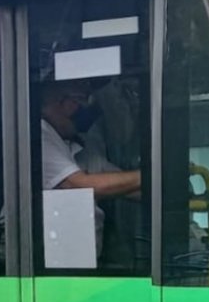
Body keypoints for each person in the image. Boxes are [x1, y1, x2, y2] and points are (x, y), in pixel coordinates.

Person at [39, 79, 141, 258]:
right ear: (59, 102)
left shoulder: (76, 146)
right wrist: (149, 176)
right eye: (79, 100)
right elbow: (78, 185)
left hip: (82, 259)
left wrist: (172, 187)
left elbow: (121, 183)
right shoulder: (40, 136)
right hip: (51, 264)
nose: (82, 110)